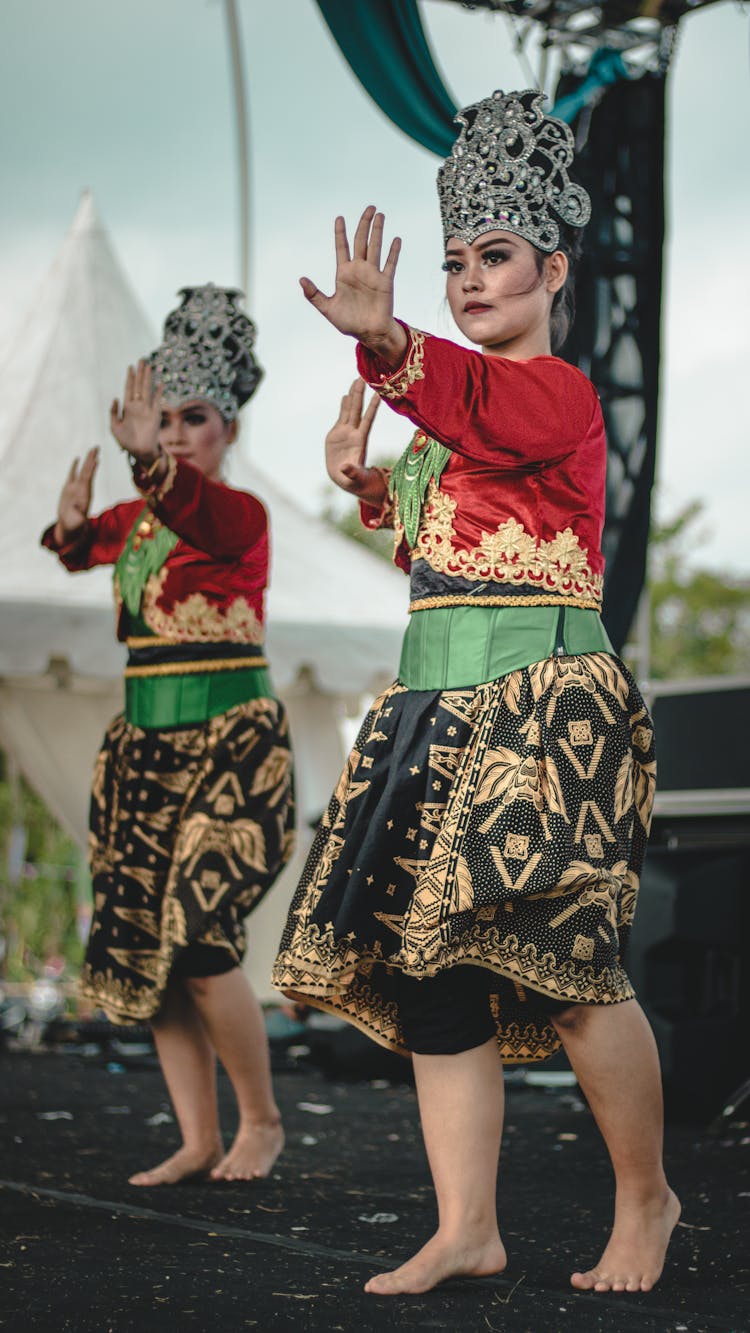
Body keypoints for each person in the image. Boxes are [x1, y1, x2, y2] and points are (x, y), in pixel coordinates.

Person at [273, 90, 679, 1296]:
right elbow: (450, 545)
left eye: (493, 257)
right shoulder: (448, 424)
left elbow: (486, 411)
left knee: (566, 973)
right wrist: (367, 488)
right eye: (454, 262)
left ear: (555, 268)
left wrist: (393, 348)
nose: (468, 280)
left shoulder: (552, 391)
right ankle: (467, 1227)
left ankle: (647, 1198)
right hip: (437, 708)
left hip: (542, 708)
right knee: (432, 969)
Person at [43, 285, 295, 1186]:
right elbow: (91, 541)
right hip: (146, 749)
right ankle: (197, 1134)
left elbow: (189, 508)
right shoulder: (143, 518)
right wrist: (73, 528)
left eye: (196, 418)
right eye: (168, 417)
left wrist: (148, 463)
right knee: (152, 941)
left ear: (228, 428)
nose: (180, 432)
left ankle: (260, 1120)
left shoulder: (239, 519)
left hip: (229, 747)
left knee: (198, 932)